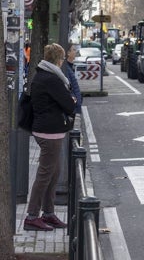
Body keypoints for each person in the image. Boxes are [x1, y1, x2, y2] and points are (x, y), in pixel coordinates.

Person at [23, 43, 76, 231]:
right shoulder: (52, 79)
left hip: (47, 130)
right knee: (46, 174)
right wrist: (71, 100)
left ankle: (48, 212)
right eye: (62, 59)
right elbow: (69, 105)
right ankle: (31, 216)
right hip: (49, 132)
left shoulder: (42, 75)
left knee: (53, 173)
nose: (63, 62)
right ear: (58, 60)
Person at [64, 43, 83, 115]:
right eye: (74, 50)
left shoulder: (69, 67)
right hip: (73, 109)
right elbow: (69, 88)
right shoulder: (66, 69)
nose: (76, 51)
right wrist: (76, 102)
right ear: (68, 53)